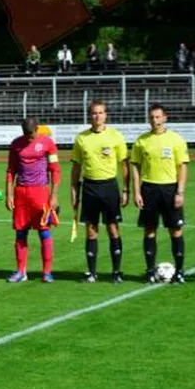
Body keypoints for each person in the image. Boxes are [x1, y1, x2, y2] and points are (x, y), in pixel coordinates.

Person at [71, 100, 129, 283]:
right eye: (94, 113)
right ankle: (92, 273)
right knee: (91, 231)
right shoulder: (82, 138)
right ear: (90, 115)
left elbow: (124, 165)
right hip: (89, 187)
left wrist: (126, 189)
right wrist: (74, 190)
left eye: (101, 112)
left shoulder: (115, 136)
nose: (97, 116)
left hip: (109, 186)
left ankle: (116, 272)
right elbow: (76, 167)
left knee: (113, 228)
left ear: (106, 115)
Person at [131, 105, 189, 284]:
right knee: (149, 230)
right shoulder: (142, 141)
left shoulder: (176, 139)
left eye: (157, 117)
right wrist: (137, 191)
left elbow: (182, 167)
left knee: (175, 230)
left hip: (170, 189)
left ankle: (180, 272)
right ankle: (150, 271)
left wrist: (180, 192)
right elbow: (135, 167)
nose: (154, 120)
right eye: (151, 117)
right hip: (149, 189)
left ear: (165, 118)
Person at [5, 116, 60, 283]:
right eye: (26, 134)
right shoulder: (16, 144)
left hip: (40, 193)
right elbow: (11, 170)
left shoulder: (48, 143)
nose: (29, 138)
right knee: (20, 232)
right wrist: (9, 194)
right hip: (21, 193)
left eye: (31, 135)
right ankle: (21, 271)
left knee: (44, 232)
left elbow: (55, 170)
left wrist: (54, 196)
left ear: (37, 129)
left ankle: (47, 272)